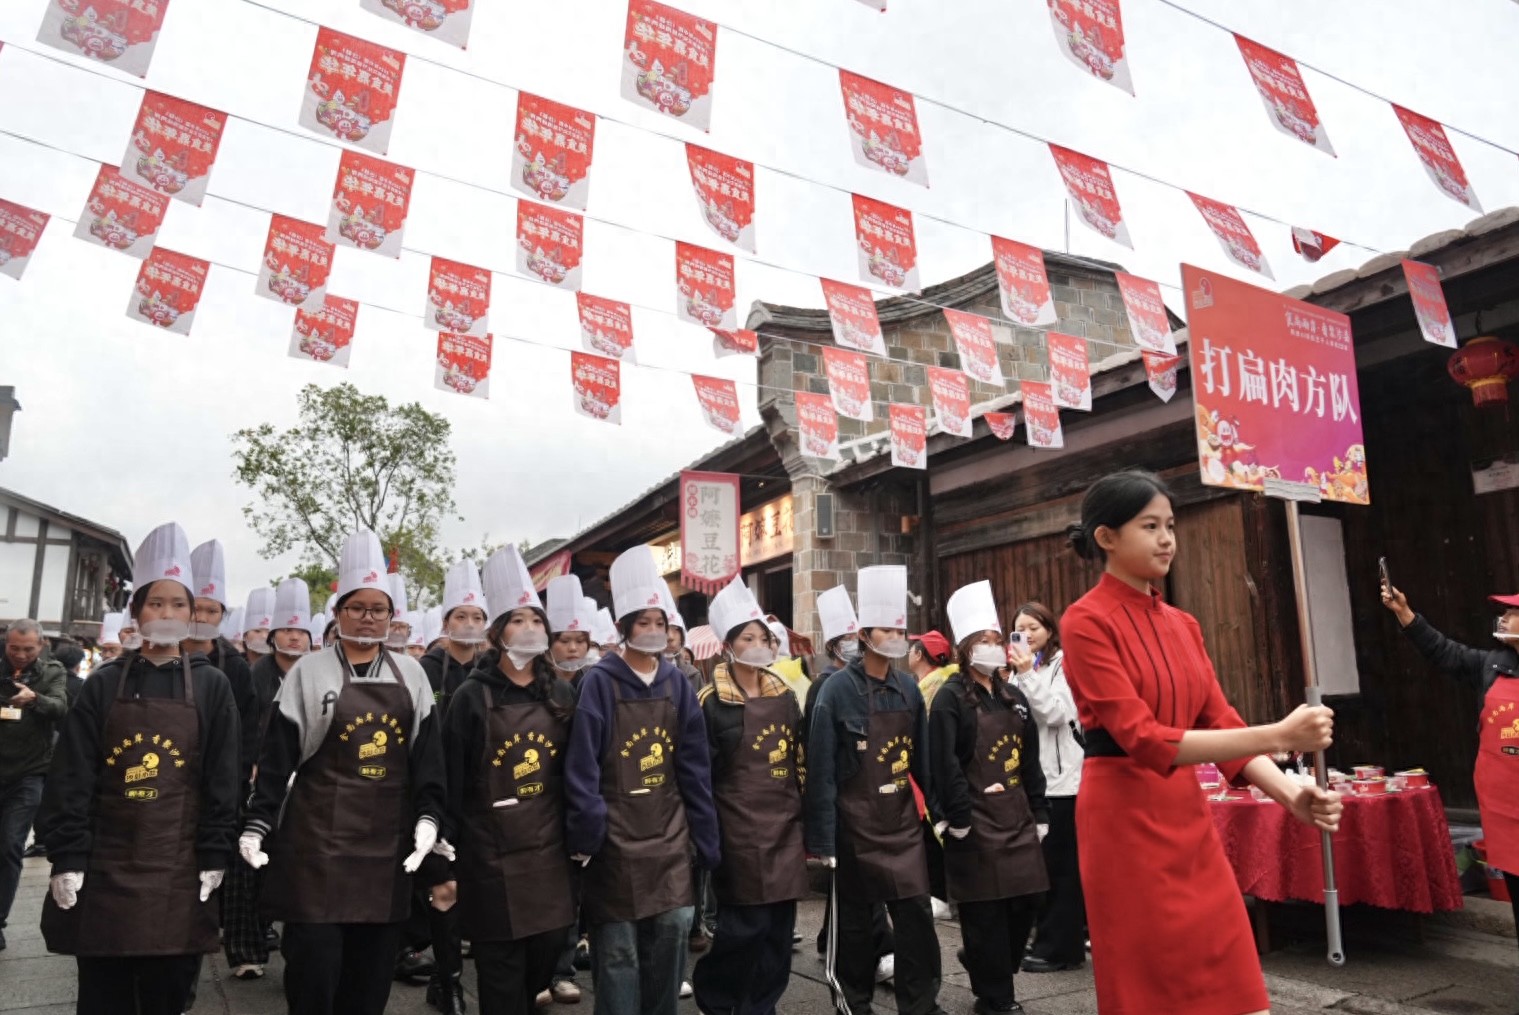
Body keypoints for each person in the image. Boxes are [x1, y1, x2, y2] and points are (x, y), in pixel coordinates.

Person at [1061, 469, 1343, 1015]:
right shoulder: (1085, 621)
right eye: (1150, 526)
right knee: (1155, 989)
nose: (1167, 538)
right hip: (1124, 821)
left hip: (1187, 817)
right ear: (1106, 538)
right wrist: (1282, 734)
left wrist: (1290, 795)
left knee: (1235, 984)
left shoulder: (1183, 624)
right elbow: (1141, 738)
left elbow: (1220, 721)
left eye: (1171, 524)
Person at [238, 529, 449, 1015]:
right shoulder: (307, 673)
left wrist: (429, 820)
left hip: (386, 847)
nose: (368, 617)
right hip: (316, 846)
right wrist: (257, 822)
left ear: (391, 618)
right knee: (313, 970)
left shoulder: (412, 676)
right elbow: (277, 760)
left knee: (370, 977)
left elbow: (428, 763)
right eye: (357, 607)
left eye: (379, 609)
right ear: (337, 614)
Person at [38, 521, 241, 1014]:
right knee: (103, 993)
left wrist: (216, 850)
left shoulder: (212, 687)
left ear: (193, 614)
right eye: (156, 602)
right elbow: (73, 776)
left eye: (178, 604)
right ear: (136, 611)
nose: (167, 613)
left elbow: (223, 778)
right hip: (105, 864)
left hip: (178, 866)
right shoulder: (103, 685)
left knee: (166, 992)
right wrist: (67, 855)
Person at [564, 545, 720, 1015]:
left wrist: (705, 835)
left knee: (673, 930)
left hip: (669, 833)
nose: (654, 632)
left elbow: (695, 767)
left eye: (660, 623)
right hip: (615, 837)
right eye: (643, 623)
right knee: (618, 950)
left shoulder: (677, 684)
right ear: (624, 627)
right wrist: (588, 832)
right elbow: (582, 765)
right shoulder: (600, 682)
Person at [443, 546, 578, 1014]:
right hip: (489, 852)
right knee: (500, 971)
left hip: (549, 849)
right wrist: (446, 860)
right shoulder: (470, 697)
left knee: (545, 952)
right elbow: (451, 780)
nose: (531, 629)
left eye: (537, 620)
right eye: (518, 620)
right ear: (499, 634)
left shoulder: (562, 694)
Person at [806, 565, 943, 1015]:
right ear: (864, 635)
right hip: (854, 829)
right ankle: (853, 1004)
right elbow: (822, 771)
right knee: (857, 931)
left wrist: (942, 815)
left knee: (917, 921)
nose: (897, 637)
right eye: (888, 629)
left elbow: (924, 763)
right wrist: (822, 841)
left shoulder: (908, 688)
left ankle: (920, 1005)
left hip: (902, 825)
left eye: (901, 629)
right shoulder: (835, 692)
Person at [690, 578, 808, 1015]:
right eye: (748, 638)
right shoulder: (710, 702)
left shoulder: (785, 696)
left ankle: (762, 1004)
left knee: (779, 929)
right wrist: (706, 838)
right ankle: (719, 999)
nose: (759, 645)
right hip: (737, 830)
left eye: (764, 637)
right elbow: (700, 776)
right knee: (744, 928)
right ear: (728, 644)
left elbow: (799, 761)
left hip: (784, 826)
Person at [931, 582, 1048, 1015]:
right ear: (965, 648)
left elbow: (1029, 759)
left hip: (1016, 817)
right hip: (975, 819)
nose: (993, 647)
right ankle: (996, 998)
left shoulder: (1013, 698)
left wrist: (1040, 809)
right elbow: (944, 763)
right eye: (983, 641)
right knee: (985, 915)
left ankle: (986, 964)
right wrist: (957, 816)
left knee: (1026, 903)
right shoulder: (949, 698)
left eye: (997, 640)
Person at [1382, 582, 1519, 952]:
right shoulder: (1492, 664)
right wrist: (1404, 614)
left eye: (1510, 613)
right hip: (1505, 809)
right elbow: (1444, 652)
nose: (1503, 618)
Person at [224, 577, 312, 981]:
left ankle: (297, 949)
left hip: (307, 784)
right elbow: (240, 728)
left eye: (301, 631)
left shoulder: (317, 674)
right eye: (287, 630)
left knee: (299, 866)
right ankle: (247, 949)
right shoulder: (253, 676)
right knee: (247, 866)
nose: (294, 637)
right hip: (259, 781)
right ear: (274, 635)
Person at [416, 559, 490, 1014]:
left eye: (478, 617)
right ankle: (449, 983)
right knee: (444, 890)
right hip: (436, 793)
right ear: (445, 623)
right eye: (460, 616)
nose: (469, 624)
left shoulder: (493, 673)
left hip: (483, 796)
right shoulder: (422, 670)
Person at [1005, 602, 1085, 974]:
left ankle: (1060, 949)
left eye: (1034, 627)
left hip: (1064, 782)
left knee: (1061, 870)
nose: (1028, 635)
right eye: (1020, 629)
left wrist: (1027, 676)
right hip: (1031, 783)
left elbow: (1056, 713)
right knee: (1039, 868)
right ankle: (1044, 940)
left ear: (1050, 630)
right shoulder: (1018, 672)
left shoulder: (1064, 666)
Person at [544, 575, 601, 1006]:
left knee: (582, 893)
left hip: (587, 797)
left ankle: (570, 966)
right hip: (543, 799)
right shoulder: (541, 684)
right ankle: (550, 971)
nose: (573, 648)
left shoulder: (596, 682)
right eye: (564, 640)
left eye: (580, 640)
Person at [0, 619, 68, 948]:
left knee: (10, 844)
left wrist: (33, 699)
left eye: (28, 649)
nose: (21, 655)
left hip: (28, 773)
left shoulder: (52, 671)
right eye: (14, 648)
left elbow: (60, 706)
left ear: (40, 646)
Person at [186, 540, 261, 789]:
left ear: (222, 616)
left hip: (220, 779)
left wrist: (237, 779)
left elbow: (247, 729)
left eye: (212, 611)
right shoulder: (163, 657)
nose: (202, 618)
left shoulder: (235, 667)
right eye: (195, 608)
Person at [906, 629, 955, 913]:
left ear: (921, 655)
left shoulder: (930, 687)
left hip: (929, 769)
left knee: (932, 828)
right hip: (936, 769)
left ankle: (940, 894)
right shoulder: (943, 682)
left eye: (913, 648)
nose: (909, 653)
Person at [241, 587, 276, 667]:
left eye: (269, 632)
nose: (264, 636)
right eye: (257, 631)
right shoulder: (235, 665)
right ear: (245, 635)